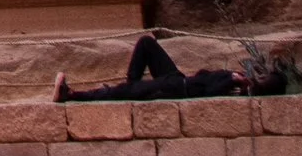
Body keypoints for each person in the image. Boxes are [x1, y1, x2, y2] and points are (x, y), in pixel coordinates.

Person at [55, 33, 246, 104]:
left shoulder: (233, 85)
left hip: (177, 89)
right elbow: (203, 75)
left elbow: (207, 91)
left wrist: (232, 80)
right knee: (146, 42)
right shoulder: (230, 77)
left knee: (122, 92)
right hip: (178, 79)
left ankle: (71, 95)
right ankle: (132, 88)